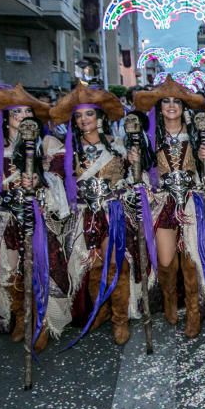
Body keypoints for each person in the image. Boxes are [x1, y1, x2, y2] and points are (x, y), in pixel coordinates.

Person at [0, 84, 71, 351]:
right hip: (4, 219)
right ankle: (21, 317)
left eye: (27, 110)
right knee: (9, 271)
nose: (22, 115)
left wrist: (41, 179)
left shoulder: (47, 144)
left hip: (38, 216)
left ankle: (44, 320)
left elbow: (60, 178)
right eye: (16, 111)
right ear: (5, 116)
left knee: (41, 268)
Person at [51, 84, 133, 346]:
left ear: (99, 118)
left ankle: (120, 319)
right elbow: (57, 182)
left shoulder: (118, 146)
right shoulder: (69, 152)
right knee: (93, 266)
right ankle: (102, 310)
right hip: (84, 215)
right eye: (78, 116)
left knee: (114, 263)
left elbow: (132, 179)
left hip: (112, 213)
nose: (84, 120)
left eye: (89, 114)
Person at [132, 77, 205, 338]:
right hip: (163, 203)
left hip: (190, 202)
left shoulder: (198, 136)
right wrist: (135, 165)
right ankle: (168, 299)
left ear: (184, 107)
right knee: (166, 261)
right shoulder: (148, 139)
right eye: (165, 101)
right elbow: (141, 174)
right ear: (159, 107)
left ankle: (193, 313)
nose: (171, 105)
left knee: (190, 261)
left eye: (177, 101)